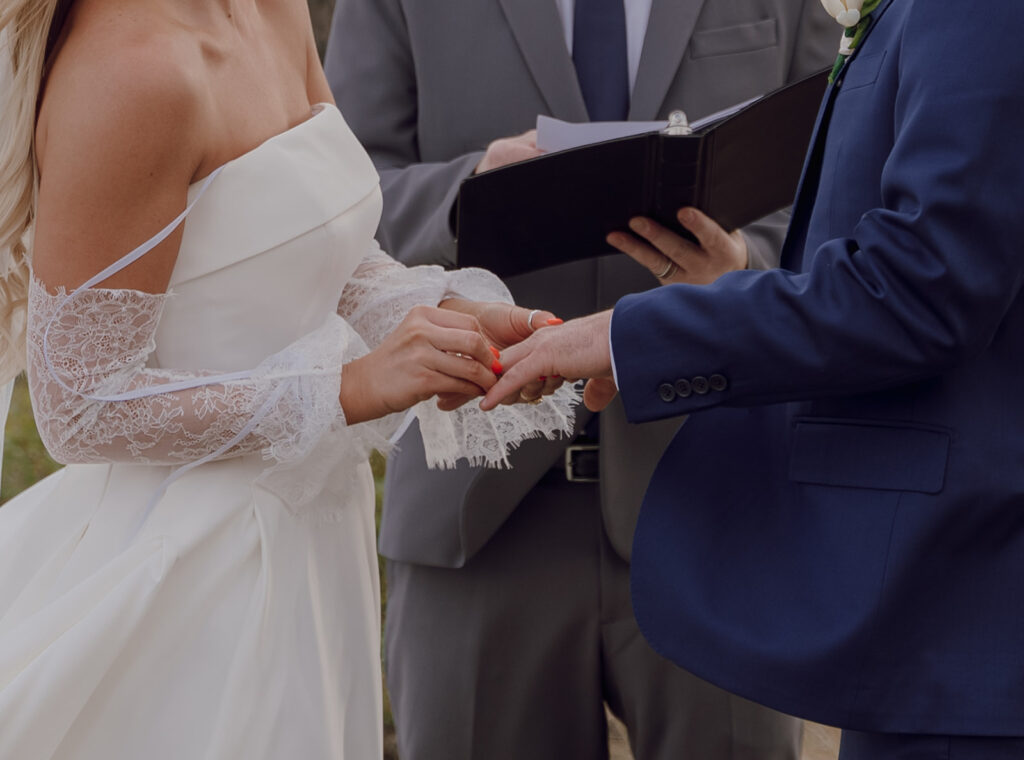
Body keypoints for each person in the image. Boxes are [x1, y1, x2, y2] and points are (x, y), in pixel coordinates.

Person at [0, 0, 576, 757]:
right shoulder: (132, 72)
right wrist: (348, 386)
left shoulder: (272, 7)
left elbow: (323, 241)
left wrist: (443, 312)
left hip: (313, 536)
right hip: (196, 566)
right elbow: (77, 405)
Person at [483, 0, 1024, 757]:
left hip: (969, 621)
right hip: (942, 627)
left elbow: (927, 282)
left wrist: (633, 334)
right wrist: (732, 284)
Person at [325, 1, 834, 758]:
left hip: (716, 509)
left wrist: (746, 271)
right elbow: (332, 202)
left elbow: (843, 185)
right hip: (476, 512)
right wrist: (471, 190)